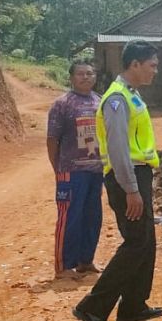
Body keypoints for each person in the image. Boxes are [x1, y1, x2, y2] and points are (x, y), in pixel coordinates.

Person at [72, 41, 162, 321]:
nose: (155, 71)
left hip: (139, 175)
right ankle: (92, 306)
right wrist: (131, 189)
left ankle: (133, 304)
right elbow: (118, 147)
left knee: (146, 240)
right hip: (127, 178)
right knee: (136, 241)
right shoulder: (116, 99)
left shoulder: (131, 95)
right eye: (152, 65)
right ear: (134, 64)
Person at [46, 60, 104, 275]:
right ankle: (64, 266)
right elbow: (52, 139)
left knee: (92, 217)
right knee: (70, 217)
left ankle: (85, 261)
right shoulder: (62, 104)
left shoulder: (100, 102)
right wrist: (58, 169)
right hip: (71, 171)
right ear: (71, 77)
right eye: (81, 74)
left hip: (96, 171)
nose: (86, 77)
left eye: (90, 73)